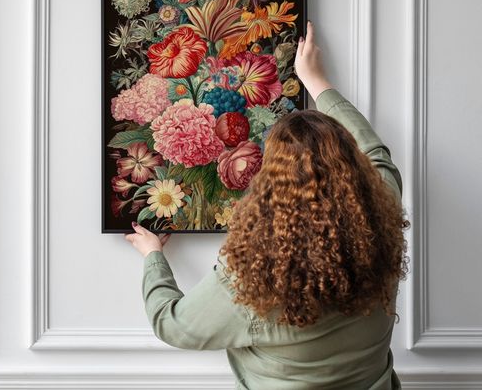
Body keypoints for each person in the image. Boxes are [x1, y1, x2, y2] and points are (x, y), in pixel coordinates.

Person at [124, 21, 409, 389]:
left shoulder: (252, 280)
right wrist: (317, 81)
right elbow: (375, 153)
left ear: (269, 183)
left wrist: (152, 257)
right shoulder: (381, 219)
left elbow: (173, 325)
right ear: (351, 165)